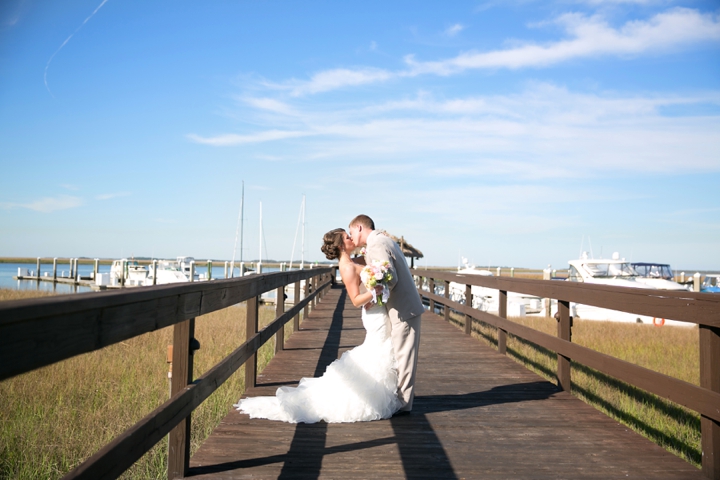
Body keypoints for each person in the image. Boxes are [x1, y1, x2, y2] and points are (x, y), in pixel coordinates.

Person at [234, 228, 401, 423]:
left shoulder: (354, 261)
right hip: (373, 313)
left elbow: (377, 264)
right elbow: (355, 300)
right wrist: (376, 291)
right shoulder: (346, 266)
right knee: (377, 348)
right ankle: (371, 395)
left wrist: (374, 248)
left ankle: (380, 391)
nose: (351, 238)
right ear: (341, 245)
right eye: (347, 237)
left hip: (376, 311)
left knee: (378, 350)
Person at [348, 214, 424, 413]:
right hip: (403, 306)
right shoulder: (381, 240)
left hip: (403, 307)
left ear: (359, 228)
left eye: (351, 232)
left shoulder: (376, 244)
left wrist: (373, 295)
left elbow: (389, 277)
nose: (351, 237)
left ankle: (404, 405)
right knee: (401, 355)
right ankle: (401, 400)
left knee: (404, 356)